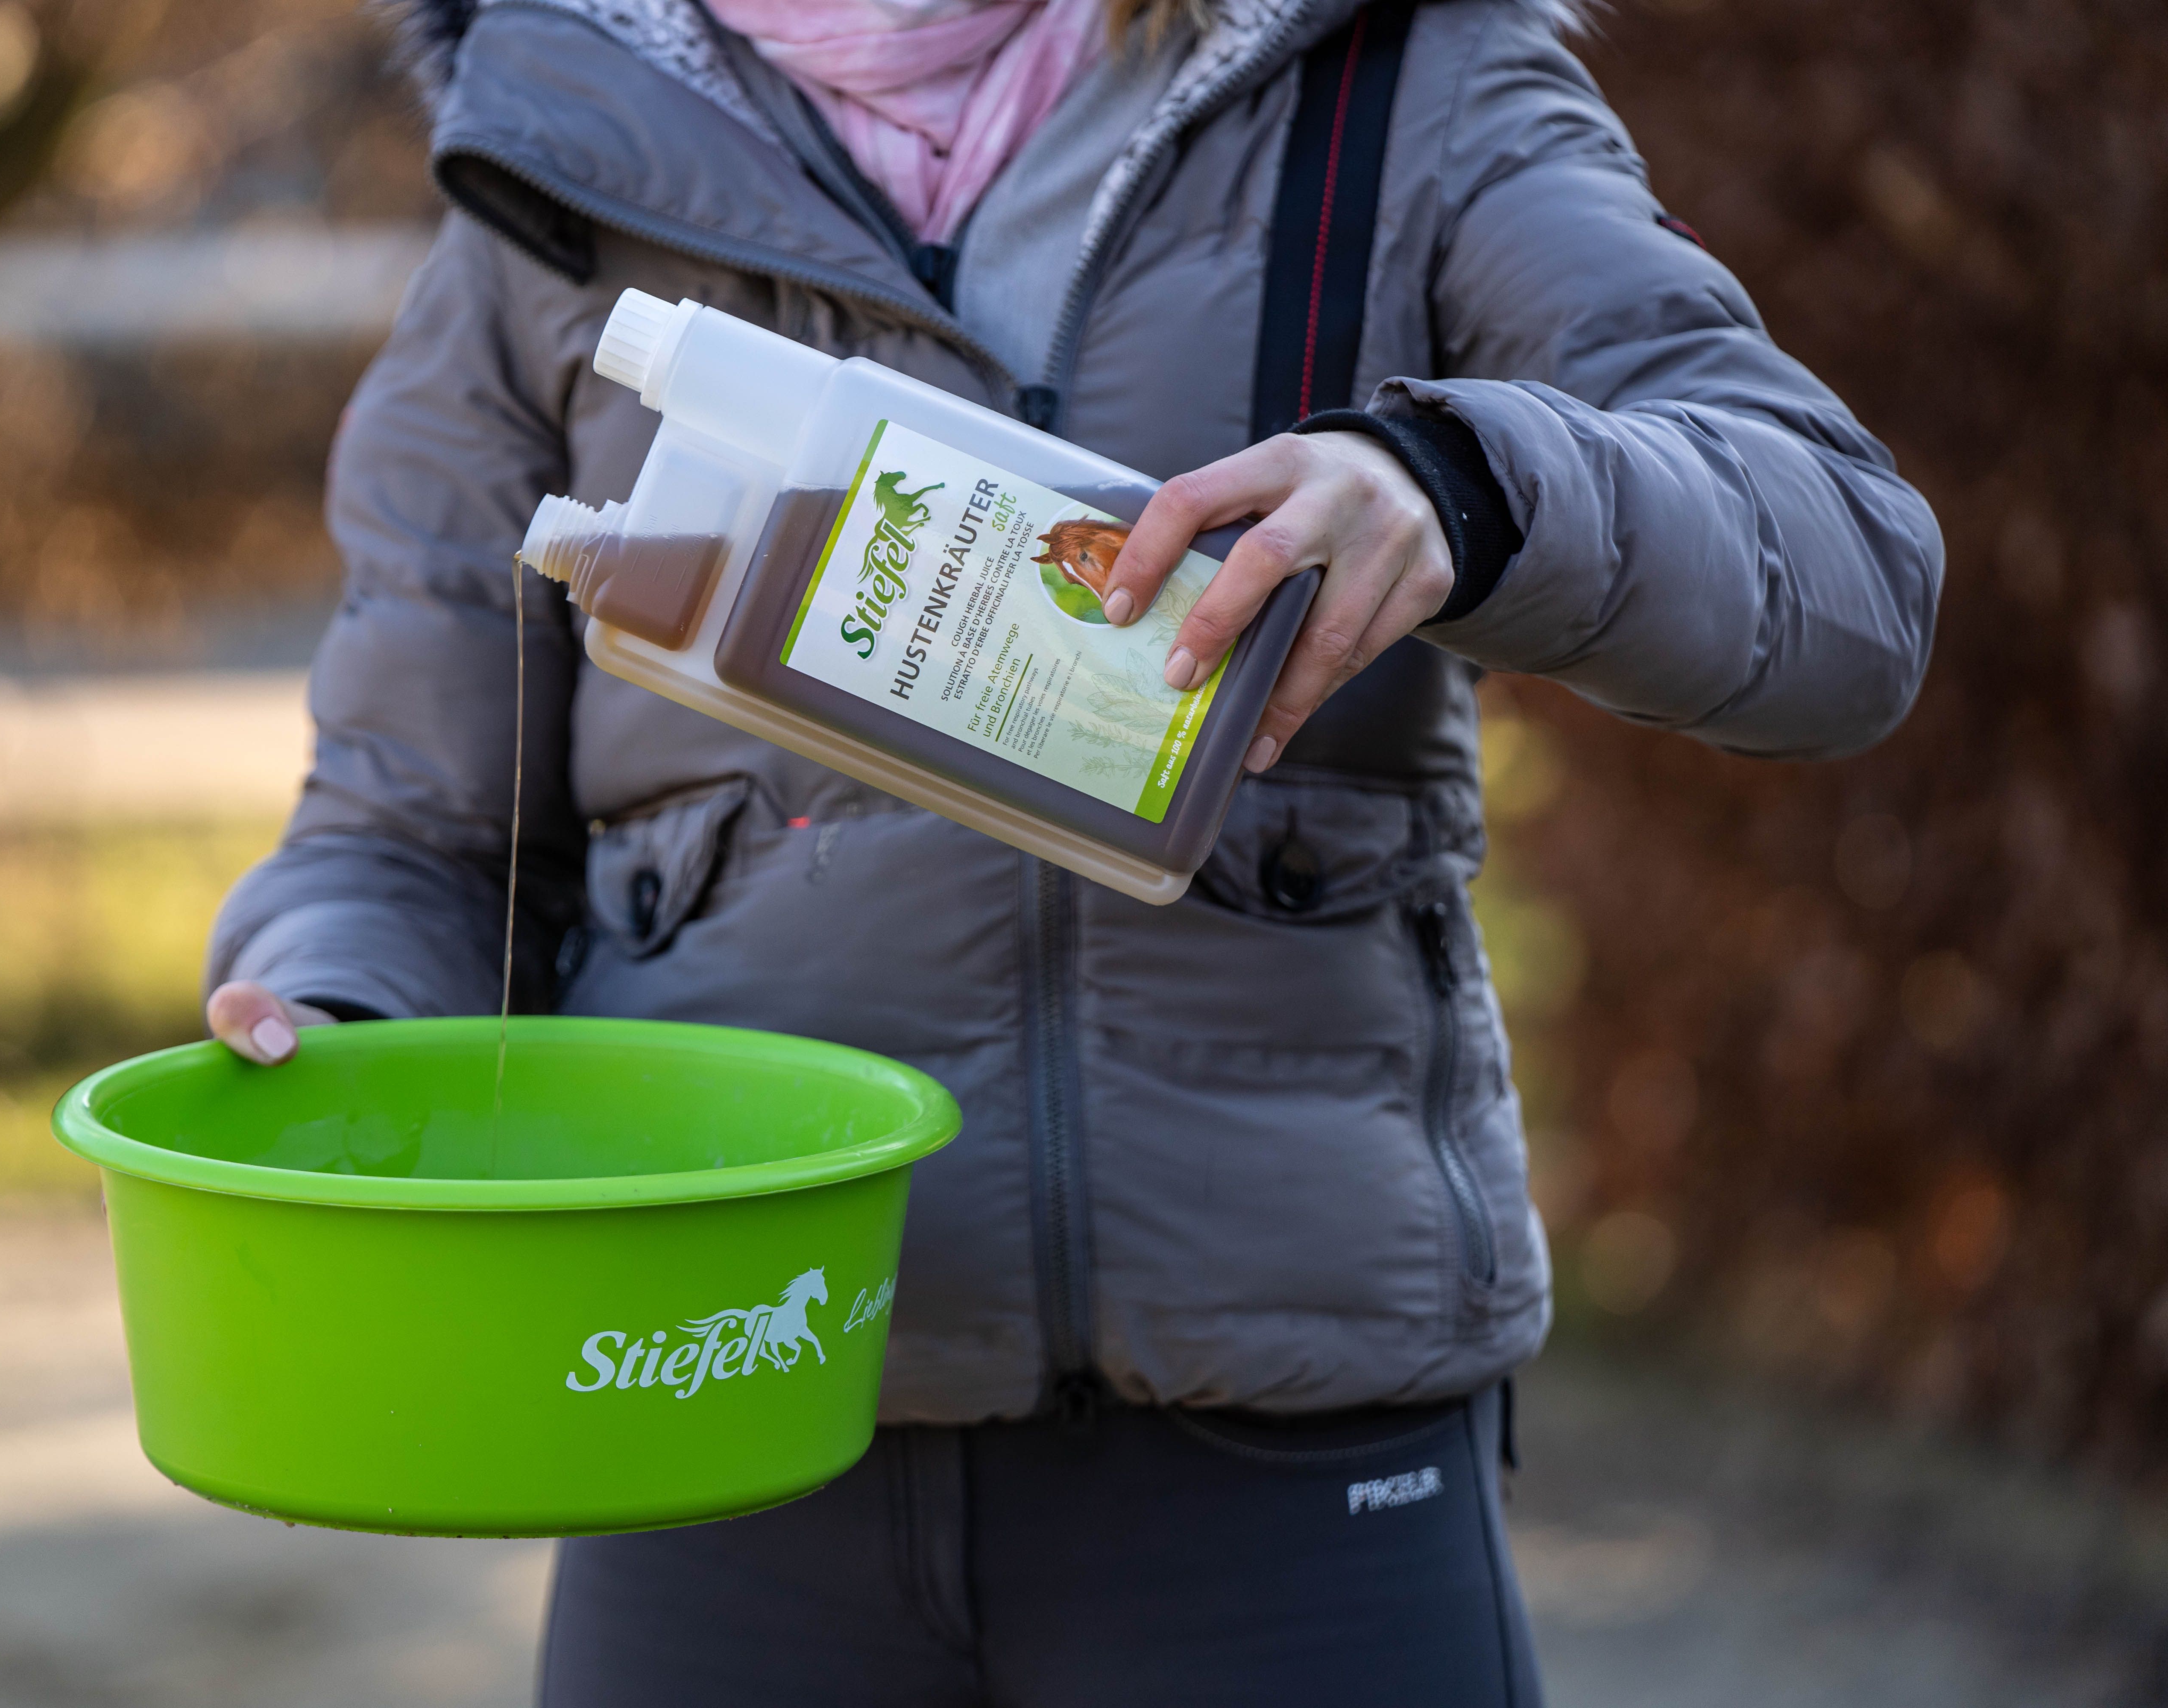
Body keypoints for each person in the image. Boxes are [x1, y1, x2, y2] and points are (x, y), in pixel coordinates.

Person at [203, 0, 1942, 1700]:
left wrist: (1469, 485)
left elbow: (1848, 580)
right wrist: (337, 1013)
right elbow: (411, 831)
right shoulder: (558, 157)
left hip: (1287, 1444)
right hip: (708, 1404)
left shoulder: (1395, 84)